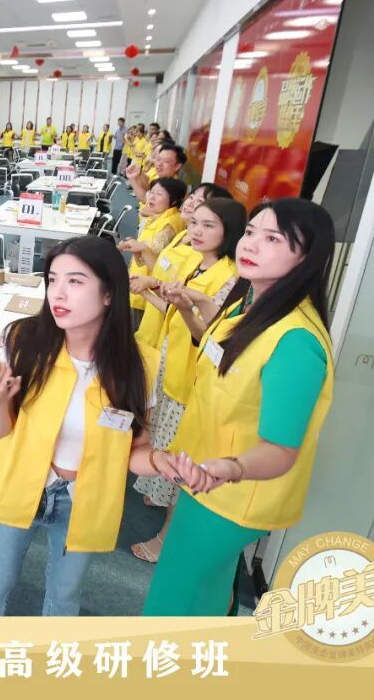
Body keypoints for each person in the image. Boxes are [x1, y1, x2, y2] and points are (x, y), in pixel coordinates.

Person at [144, 199, 336, 616]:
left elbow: (281, 450)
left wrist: (228, 468)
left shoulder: (295, 341)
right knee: (206, 592)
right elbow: (218, 352)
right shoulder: (249, 304)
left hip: (229, 495)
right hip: (205, 476)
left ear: (307, 257)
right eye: (250, 232)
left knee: (173, 598)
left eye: (273, 239)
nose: (251, 244)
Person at [0, 236, 161, 615]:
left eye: (75, 281)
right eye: (53, 280)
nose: (58, 293)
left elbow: (136, 448)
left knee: (64, 596)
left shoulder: (140, 365)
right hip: (21, 482)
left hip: (83, 497)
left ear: (109, 294)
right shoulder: (24, 340)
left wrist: (162, 463)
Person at [129, 197, 246, 563]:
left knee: (183, 461)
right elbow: (176, 314)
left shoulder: (230, 277)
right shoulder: (199, 264)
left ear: (229, 232)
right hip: (174, 370)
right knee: (166, 449)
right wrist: (151, 292)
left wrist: (182, 305)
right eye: (195, 223)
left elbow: (209, 336)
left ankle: (167, 540)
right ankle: (162, 506)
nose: (196, 231)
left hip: (192, 383)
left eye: (208, 225)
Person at [131, 183, 233, 348]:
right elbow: (166, 280)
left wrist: (152, 285)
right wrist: (150, 284)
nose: (190, 203)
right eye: (191, 197)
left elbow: (182, 311)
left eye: (199, 201)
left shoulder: (202, 256)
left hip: (169, 338)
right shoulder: (183, 235)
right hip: (156, 324)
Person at [120, 178, 188, 323]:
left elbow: (159, 268)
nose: (152, 197)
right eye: (152, 192)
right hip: (138, 285)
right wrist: (137, 249)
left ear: (174, 200)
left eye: (159, 194)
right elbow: (143, 260)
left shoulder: (169, 225)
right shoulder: (157, 217)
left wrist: (142, 248)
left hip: (148, 294)